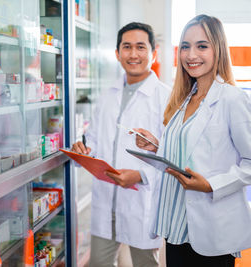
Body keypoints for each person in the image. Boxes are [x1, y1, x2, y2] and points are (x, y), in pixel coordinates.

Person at [134, 14, 251, 267]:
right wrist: (158, 147)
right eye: (185, 46)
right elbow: (189, 154)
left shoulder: (232, 99)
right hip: (175, 226)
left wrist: (211, 185)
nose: (191, 54)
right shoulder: (185, 99)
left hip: (211, 231)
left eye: (202, 46)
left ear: (218, 50)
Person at [71, 22, 171, 267]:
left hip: (143, 200)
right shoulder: (108, 95)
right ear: (117, 53)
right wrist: (85, 151)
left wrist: (140, 175)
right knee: (98, 263)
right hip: (106, 200)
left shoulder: (166, 98)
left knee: (146, 264)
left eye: (140, 47)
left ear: (153, 53)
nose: (133, 54)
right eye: (127, 47)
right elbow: (94, 138)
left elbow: (173, 157)